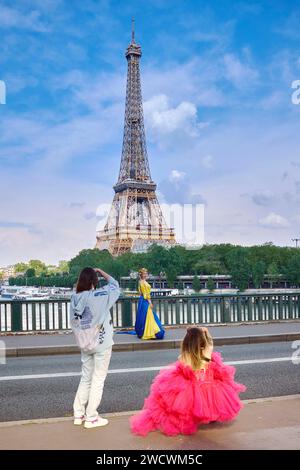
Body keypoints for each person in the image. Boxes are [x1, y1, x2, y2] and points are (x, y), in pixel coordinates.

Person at [130, 326, 246, 436]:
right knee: (210, 403)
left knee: (187, 405)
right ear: (202, 342)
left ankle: (191, 420)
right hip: (209, 386)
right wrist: (206, 332)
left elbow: (182, 369)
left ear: (186, 343)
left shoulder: (184, 356)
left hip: (193, 388)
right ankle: (210, 417)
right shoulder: (207, 353)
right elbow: (210, 342)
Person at [70, 267, 120, 429]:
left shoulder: (74, 297)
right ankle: (91, 418)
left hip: (84, 344)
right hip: (101, 342)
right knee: (98, 380)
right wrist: (101, 271)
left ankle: (79, 414)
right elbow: (115, 285)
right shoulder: (100, 296)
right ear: (94, 281)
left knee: (86, 378)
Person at [135, 268, 165, 340]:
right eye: (145, 273)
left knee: (144, 316)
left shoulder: (141, 282)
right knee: (149, 316)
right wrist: (150, 303)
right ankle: (150, 332)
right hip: (145, 300)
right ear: (142, 275)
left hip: (142, 300)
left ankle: (143, 331)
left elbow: (140, 293)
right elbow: (146, 294)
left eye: (146, 273)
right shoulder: (143, 282)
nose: (146, 274)